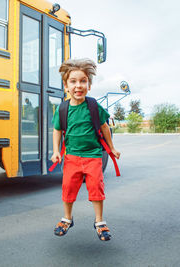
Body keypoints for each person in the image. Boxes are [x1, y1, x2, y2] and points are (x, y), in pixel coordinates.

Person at [51, 58, 120, 241]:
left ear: (89, 85)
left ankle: (99, 221)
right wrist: (56, 151)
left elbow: (105, 127)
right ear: (66, 86)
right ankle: (67, 218)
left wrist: (111, 148)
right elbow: (57, 129)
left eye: (83, 81)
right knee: (68, 188)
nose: (78, 85)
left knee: (96, 188)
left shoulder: (93, 106)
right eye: (73, 81)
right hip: (72, 157)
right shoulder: (63, 108)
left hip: (93, 156)